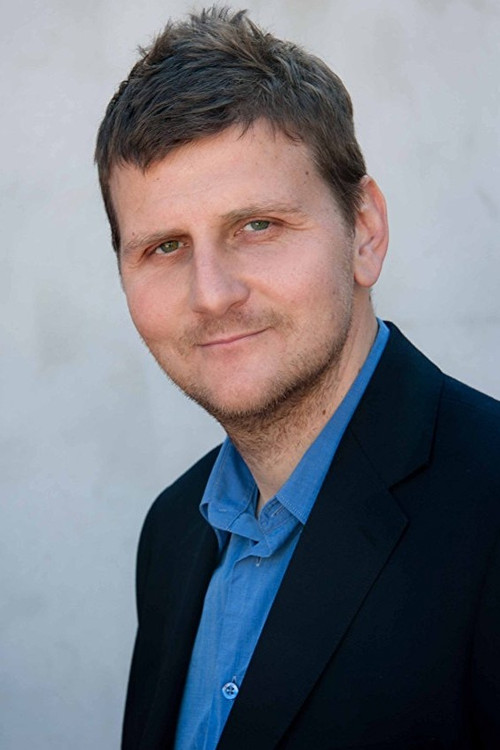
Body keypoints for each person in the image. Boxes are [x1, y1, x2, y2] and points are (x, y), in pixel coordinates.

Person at [95, 8, 500, 749]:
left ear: (364, 231)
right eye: (165, 247)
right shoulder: (172, 533)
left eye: (258, 226)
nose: (212, 295)